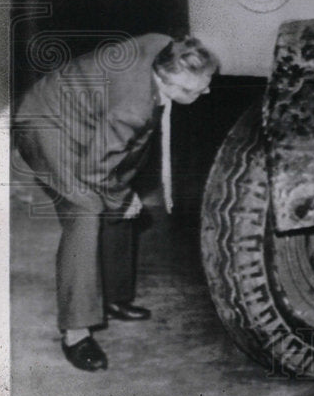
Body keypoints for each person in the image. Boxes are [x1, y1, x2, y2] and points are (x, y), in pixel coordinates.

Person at [13, 34, 218, 371]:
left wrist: (122, 194)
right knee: (86, 208)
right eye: (196, 90)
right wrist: (122, 198)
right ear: (166, 82)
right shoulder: (133, 106)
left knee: (119, 193)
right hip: (43, 124)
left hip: (84, 121)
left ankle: (115, 296)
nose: (206, 92)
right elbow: (96, 170)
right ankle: (76, 333)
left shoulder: (165, 47)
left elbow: (113, 154)